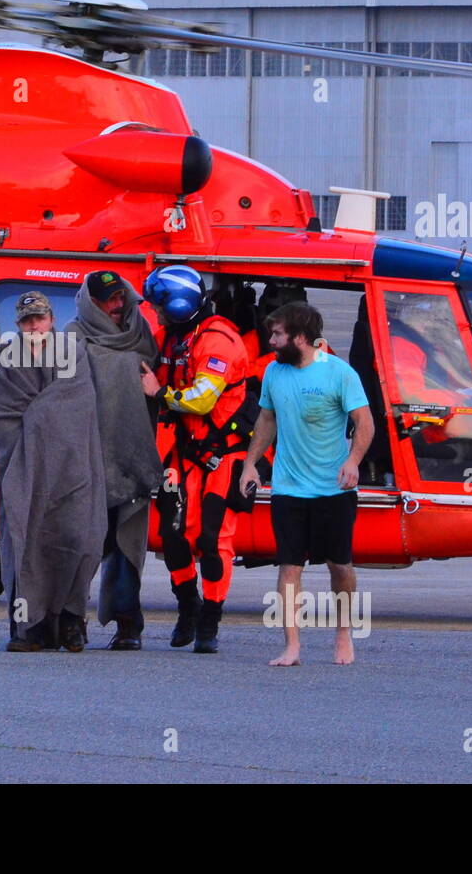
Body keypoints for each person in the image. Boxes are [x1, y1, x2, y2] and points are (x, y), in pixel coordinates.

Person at [239, 302, 374, 667]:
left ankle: (344, 633)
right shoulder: (273, 372)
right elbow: (267, 420)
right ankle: (292, 645)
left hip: (333, 490)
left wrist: (353, 461)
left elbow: (365, 423)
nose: (271, 340)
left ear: (299, 337)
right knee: (289, 567)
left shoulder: (338, 373)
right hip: (288, 489)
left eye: (278, 334)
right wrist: (251, 464)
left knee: (340, 566)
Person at [139, 265, 255, 654]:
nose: (154, 314)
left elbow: (202, 400)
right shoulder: (173, 337)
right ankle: (188, 605)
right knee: (171, 536)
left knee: (212, 538)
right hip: (184, 451)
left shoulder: (218, 341)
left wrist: (160, 395)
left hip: (224, 452)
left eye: (158, 306)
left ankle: (211, 619)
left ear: (177, 305)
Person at [0, 291, 107, 652]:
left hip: (73, 468)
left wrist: (38, 418)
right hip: (22, 470)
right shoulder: (6, 361)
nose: (34, 325)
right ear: (18, 325)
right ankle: (28, 629)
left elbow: (79, 408)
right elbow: (3, 416)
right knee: (24, 544)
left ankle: (71, 623)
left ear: (52, 319)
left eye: (39, 318)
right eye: (26, 320)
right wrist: (41, 421)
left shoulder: (73, 354)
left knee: (78, 540)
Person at [65, 270, 161, 650]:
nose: (118, 305)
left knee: (127, 545)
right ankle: (72, 622)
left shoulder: (141, 334)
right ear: (91, 303)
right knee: (81, 544)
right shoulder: (73, 337)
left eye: (121, 296)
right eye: (108, 299)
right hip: (87, 459)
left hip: (131, 454)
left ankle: (128, 624)